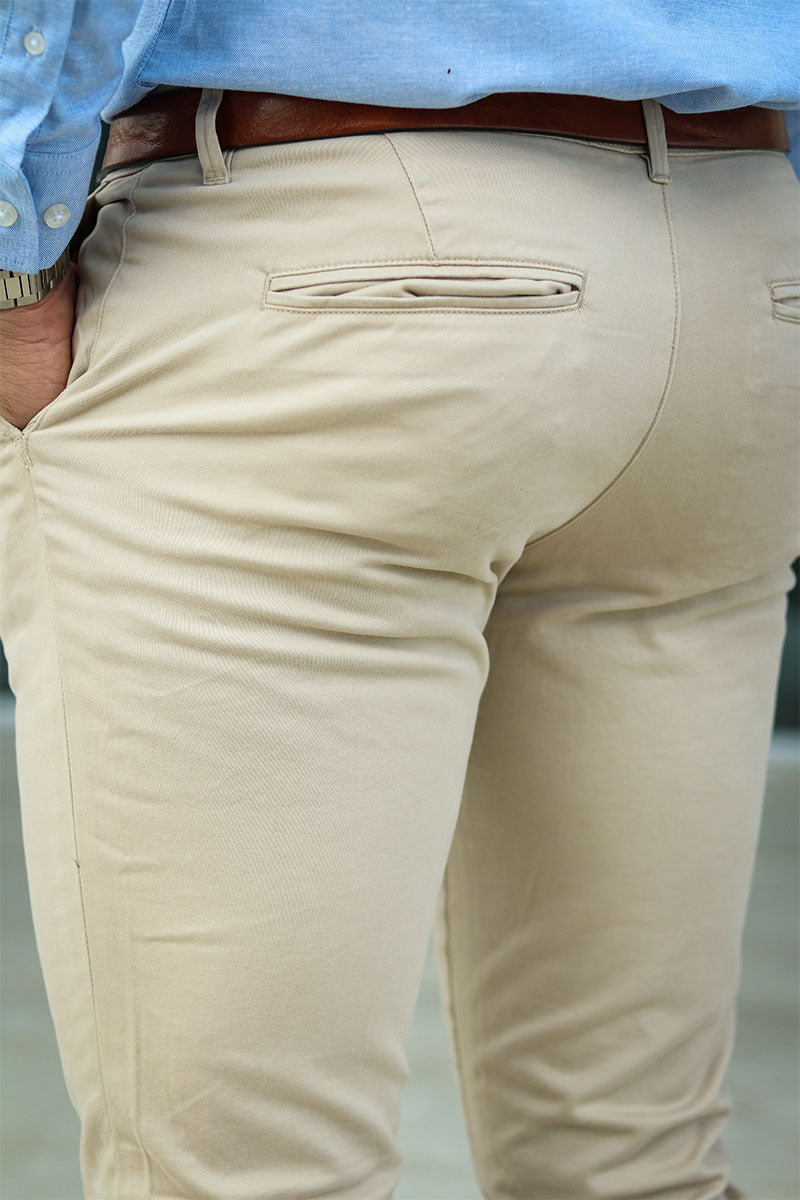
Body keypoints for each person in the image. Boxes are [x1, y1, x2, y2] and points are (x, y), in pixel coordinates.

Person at [0, 3, 798, 1197]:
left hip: (326, 274)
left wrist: (14, 249)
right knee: (632, 1162)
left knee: (255, 1173)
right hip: (740, 258)